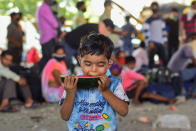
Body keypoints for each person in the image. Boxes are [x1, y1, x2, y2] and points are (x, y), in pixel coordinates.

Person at [60, 33, 129, 130]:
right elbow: (64, 116)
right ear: (80, 61)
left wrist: (105, 91)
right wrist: (70, 93)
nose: (94, 70)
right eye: (88, 64)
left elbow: (124, 111)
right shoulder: (72, 83)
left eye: (100, 65)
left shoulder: (114, 83)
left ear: (109, 63)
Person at [167, 33, 196, 97]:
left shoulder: (183, 47)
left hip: (174, 72)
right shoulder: (187, 47)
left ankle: (191, 92)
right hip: (176, 73)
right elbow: (194, 61)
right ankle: (193, 93)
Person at [142, 2, 167, 68]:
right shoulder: (148, 20)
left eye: (156, 7)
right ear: (151, 8)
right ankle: (151, 74)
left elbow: (164, 31)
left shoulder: (161, 20)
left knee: (164, 60)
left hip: (160, 43)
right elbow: (145, 32)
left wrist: (164, 41)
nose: (155, 9)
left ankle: (163, 73)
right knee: (151, 61)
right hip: (152, 43)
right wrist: (149, 42)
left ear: (158, 8)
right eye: (153, 7)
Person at [36, 0, 59, 72]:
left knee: (47, 58)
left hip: (46, 37)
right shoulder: (44, 8)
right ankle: (39, 74)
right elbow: (55, 24)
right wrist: (58, 25)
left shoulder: (42, 8)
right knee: (48, 59)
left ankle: (40, 74)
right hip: (48, 38)